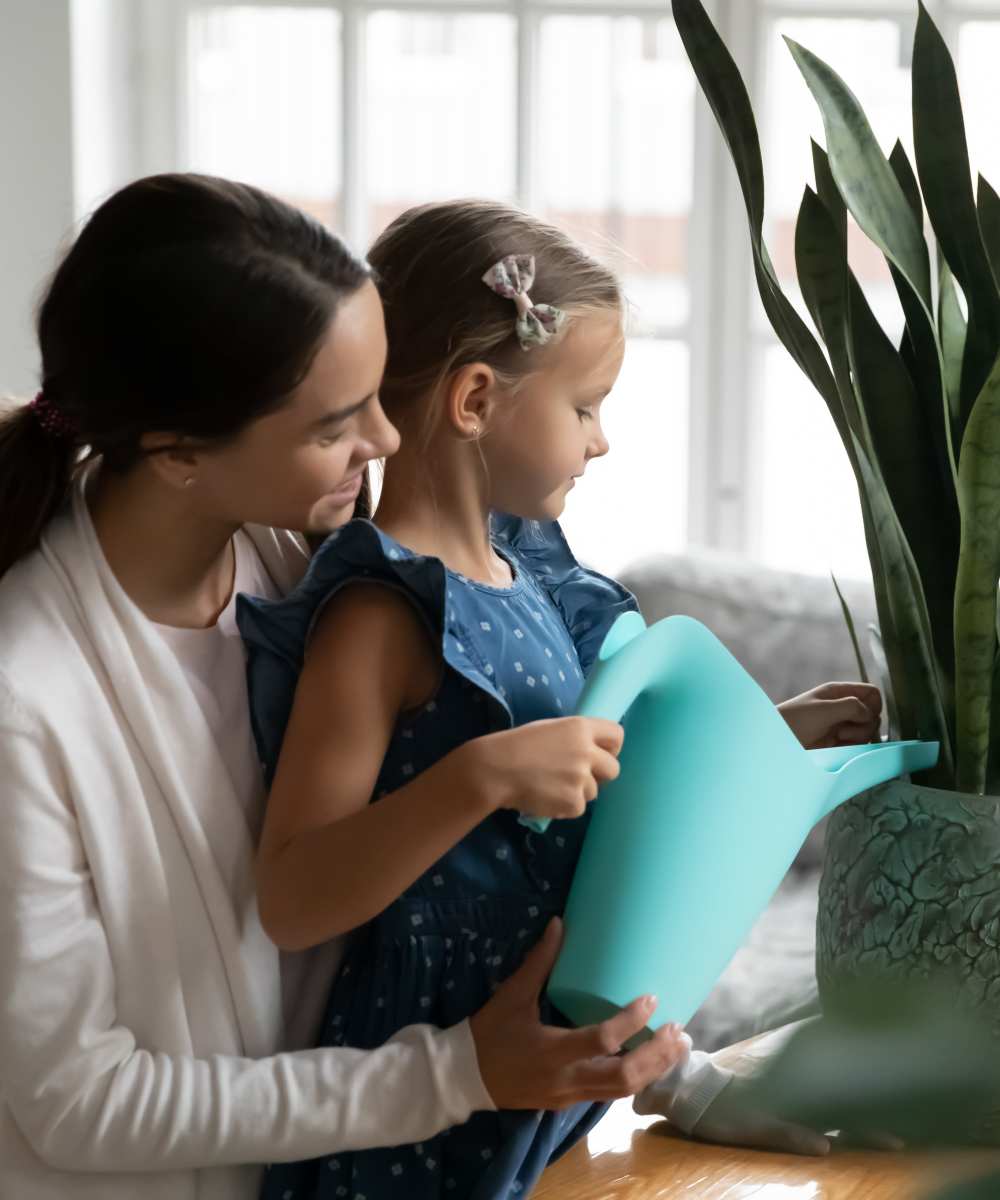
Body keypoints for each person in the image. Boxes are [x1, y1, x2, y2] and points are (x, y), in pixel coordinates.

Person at [0, 175, 686, 1200]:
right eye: (338, 422)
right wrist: (452, 1076)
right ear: (179, 452)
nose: (390, 439)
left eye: (378, 391)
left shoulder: (313, 556)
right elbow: (80, 1102)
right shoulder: (26, 701)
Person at [240, 199, 884, 1200]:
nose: (600, 442)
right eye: (584, 407)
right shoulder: (382, 613)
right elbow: (292, 897)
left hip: (553, 1078)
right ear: (475, 401)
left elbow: (596, 765)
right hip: (433, 1106)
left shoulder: (529, 570)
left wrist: (769, 734)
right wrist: (475, 778)